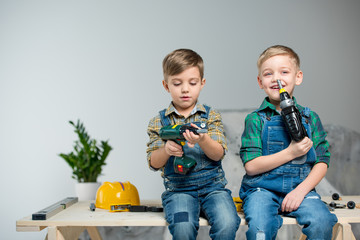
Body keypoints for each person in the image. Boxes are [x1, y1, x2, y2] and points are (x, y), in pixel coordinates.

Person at [239, 45, 338, 240]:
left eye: (284, 72)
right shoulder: (255, 119)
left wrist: (301, 191)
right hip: (262, 189)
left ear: (298, 77)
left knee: (322, 221)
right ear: (260, 81)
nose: (277, 79)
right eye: (268, 74)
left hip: (301, 187)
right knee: (260, 228)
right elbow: (251, 166)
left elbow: (322, 160)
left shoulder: (310, 118)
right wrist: (291, 152)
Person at [146, 48, 240, 240]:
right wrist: (166, 150)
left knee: (228, 222)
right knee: (182, 227)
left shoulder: (210, 116)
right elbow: (154, 163)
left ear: (202, 83)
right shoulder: (158, 121)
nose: (185, 89)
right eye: (177, 83)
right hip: (179, 191)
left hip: (213, 189)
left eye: (192, 82)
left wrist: (203, 139)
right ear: (166, 85)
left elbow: (218, 154)